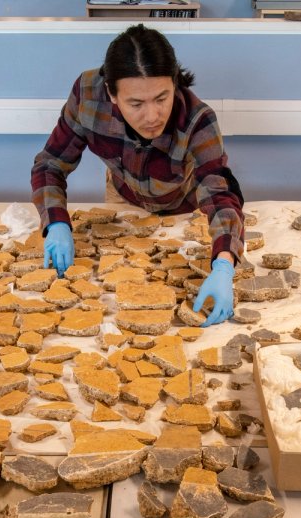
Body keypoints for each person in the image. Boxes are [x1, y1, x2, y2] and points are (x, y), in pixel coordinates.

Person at [31, 23, 245, 326]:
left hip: (185, 209)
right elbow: (50, 164)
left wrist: (223, 265)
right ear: (112, 93)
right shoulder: (88, 95)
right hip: (124, 198)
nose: (152, 116)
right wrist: (55, 224)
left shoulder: (198, 120)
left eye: (162, 98)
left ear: (174, 83)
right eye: (136, 103)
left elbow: (221, 196)